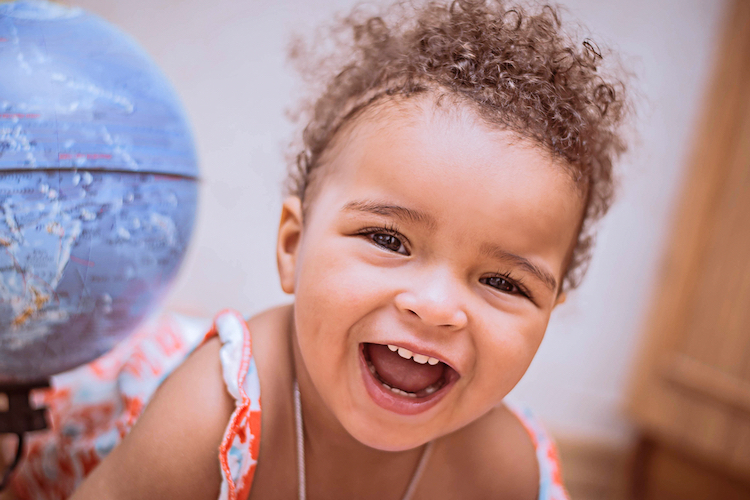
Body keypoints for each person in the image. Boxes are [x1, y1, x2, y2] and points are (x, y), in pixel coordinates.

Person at [5, 0, 628, 498]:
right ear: (293, 246)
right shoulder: (210, 418)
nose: (436, 306)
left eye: (504, 283)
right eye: (389, 240)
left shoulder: (503, 471)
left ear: (550, 311)